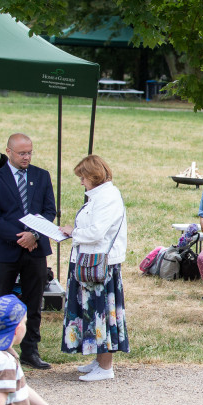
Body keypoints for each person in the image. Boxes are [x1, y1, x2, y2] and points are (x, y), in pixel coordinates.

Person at [0, 133, 57, 370]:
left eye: (30, 152)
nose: (26, 157)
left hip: (35, 250)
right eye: (22, 153)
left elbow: (49, 210)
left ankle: (30, 351)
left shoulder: (41, 176)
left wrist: (34, 235)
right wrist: (21, 238)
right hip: (5, 251)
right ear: (9, 152)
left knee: (34, 301)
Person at [56, 155, 128, 382]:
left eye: (83, 177)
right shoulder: (100, 196)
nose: (81, 182)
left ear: (94, 176)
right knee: (92, 311)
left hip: (99, 265)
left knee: (101, 313)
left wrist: (71, 232)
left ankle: (106, 367)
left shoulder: (108, 197)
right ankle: (99, 360)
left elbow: (96, 232)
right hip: (88, 261)